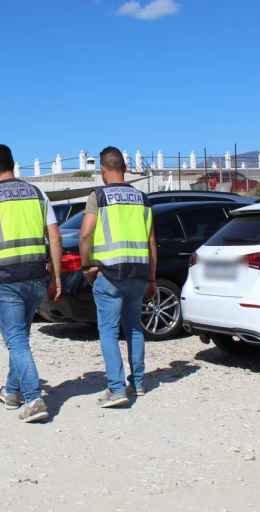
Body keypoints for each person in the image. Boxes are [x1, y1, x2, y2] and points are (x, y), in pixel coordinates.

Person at [0, 144, 62, 423]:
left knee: (16, 341)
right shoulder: (37, 193)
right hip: (36, 277)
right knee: (19, 336)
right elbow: (54, 237)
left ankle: (33, 398)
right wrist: (56, 277)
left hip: (5, 279)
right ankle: (11, 391)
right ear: (13, 163)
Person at [79, 147, 157, 408]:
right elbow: (151, 242)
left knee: (109, 331)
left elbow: (86, 235)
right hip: (138, 273)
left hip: (109, 273)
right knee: (134, 328)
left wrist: (86, 266)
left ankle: (116, 388)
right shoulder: (143, 198)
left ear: (103, 171)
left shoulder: (98, 196)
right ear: (124, 167)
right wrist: (152, 279)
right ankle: (138, 382)